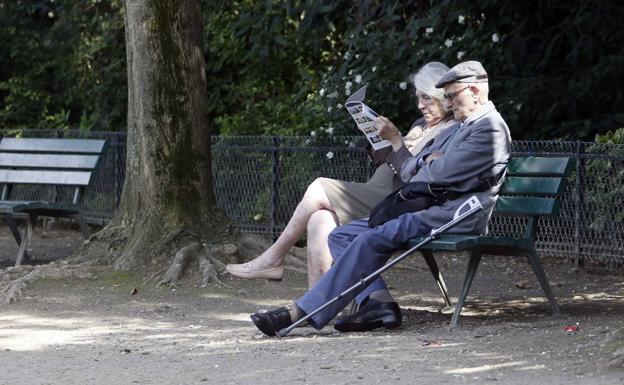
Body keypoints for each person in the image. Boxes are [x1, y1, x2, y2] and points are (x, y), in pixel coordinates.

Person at [249, 60, 512, 336]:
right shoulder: (466, 125)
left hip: (455, 214)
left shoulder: (488, 128)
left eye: (451, 95)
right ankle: (378, 302)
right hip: (432, 206)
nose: (448, 102)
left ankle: (302, 311)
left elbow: (434, 175)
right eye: (445, 96)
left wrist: (427, 163)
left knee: (371, 237)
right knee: (343, 235)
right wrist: (428, 160)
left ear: (474, 91)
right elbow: (427, 169)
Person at [226, 62, 456, 288]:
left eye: (426, 97)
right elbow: (391, 159)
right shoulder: (420, 125)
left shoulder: (451, 130)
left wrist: (396, 140)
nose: (420, 105)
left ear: (443, 96)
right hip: (376, 191)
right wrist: (373, 135)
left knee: (318, 187)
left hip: (395, 199)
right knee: (319, 220)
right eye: (418, 98)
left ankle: (273, 258)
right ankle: (316, 306)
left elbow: (418, 176)